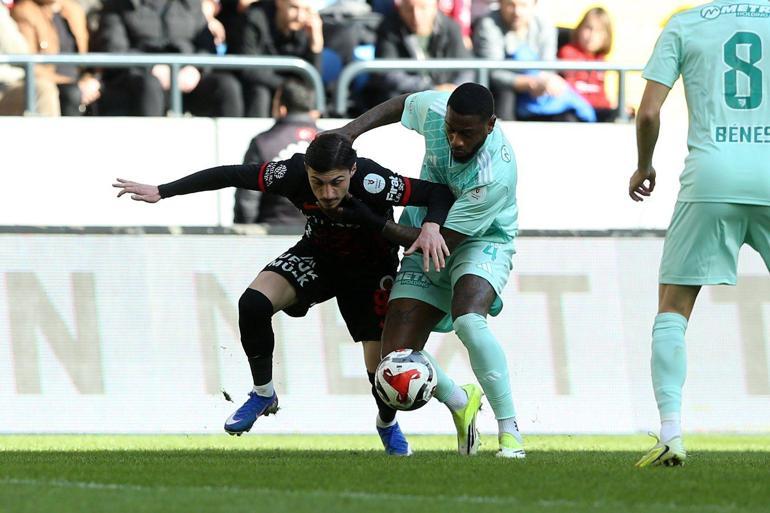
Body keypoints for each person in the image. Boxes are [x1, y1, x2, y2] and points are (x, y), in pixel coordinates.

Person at [113, 133, 455, 456]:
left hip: (370, 272)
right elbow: (232, 174)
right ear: (306, 170)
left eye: (337, 182)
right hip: (318, 256)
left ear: (352, 170)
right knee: (253, 303)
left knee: (380, 367)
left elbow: (438, 194)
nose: (328, 193)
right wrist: (163, 190)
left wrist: (431, 226)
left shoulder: (372, 181)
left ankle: (387, 424)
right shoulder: (289, 173)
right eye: (317, 182)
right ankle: (263, 393)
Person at [331, 83, 526, 458]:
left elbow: (443, 243)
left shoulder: (495, 174)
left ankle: (510, 432)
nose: (454, 139)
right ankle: (459, 399)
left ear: (490, 125)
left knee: (469, 320)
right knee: (395, 360)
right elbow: (403, 103)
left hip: (479, 239)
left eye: (466, 133)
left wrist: (370, 220)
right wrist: (349, 131)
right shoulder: (437, 111)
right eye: (451, 129)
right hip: (424, 226)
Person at [631, 2, 770, 467]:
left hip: (711, 175)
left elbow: (648, 112)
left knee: (672, 307)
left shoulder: (686, 23)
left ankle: (672, 433)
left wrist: (645, 164)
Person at [94, 0, 243, 117]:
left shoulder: (191, 4)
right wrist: (151, 67)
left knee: (227, 87)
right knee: (150, 86)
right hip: (139, 77)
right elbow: (114, 49)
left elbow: (206, 46)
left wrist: (196, 69)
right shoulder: (119, 5)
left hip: (186, 76)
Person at [473, 0, 594, 121]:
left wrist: (545, 81)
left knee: (567, 115)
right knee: (505, 95)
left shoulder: (544, 24)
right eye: (511, 5)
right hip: (503, 92)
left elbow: (548, 66)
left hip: (540, 92)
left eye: (523, 5)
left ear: (534, 5)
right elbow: (494, 72)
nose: (517, 12)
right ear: (500, 4)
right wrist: (529, 83)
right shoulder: (488, 24)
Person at [235, 78, 319, 225]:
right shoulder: (333, 141)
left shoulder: (263, 142)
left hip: (273, 236)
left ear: (282, 108)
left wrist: (246, 238)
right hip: (323, 237)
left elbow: (247, 201)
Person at [370, 0, 472, 106]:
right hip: (405, 104)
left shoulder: (451, 27)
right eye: (409, 9)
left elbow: (466, 68)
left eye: (423, 8)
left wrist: (456, 90)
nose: (416, 16)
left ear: (435, 7)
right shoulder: (388, 28)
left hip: (447, 102)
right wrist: (430, 89)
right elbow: (387, 74)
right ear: (400, 9)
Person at [11, 0, 100, 116]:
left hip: (80, 82)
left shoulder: (74, 10)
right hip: (52, 82)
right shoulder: (24, 11)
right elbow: (29, 64)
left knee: (104, 91)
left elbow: (90, 55)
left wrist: (90, 79)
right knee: (72, 94)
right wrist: (76, 84)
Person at [237, 0, 324, 117]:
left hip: (286, 87)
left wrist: (315, 45)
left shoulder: (306, 28)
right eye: (294, 8)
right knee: (260, 93)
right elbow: (248, 68)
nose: (300, 16)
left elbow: (312, 79)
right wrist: (289, 87)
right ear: (279, 2)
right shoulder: (255, 17)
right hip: (255, 85)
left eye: (306, 10)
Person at [0, 3, 60, 116]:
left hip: (12, 81)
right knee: (43, 90)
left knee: (44, 87)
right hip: (6, 83)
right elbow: (20, 52)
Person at [557, 7, 616, 122]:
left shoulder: (601, 60)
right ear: (579, 29)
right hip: (577, 110)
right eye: (588, 28)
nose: (592, 35)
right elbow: (572, 89)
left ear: (606, 36)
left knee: (621, 116)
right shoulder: (568, 52)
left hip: (597, 109)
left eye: (599, 31)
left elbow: (600, 93)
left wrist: (614, 106)